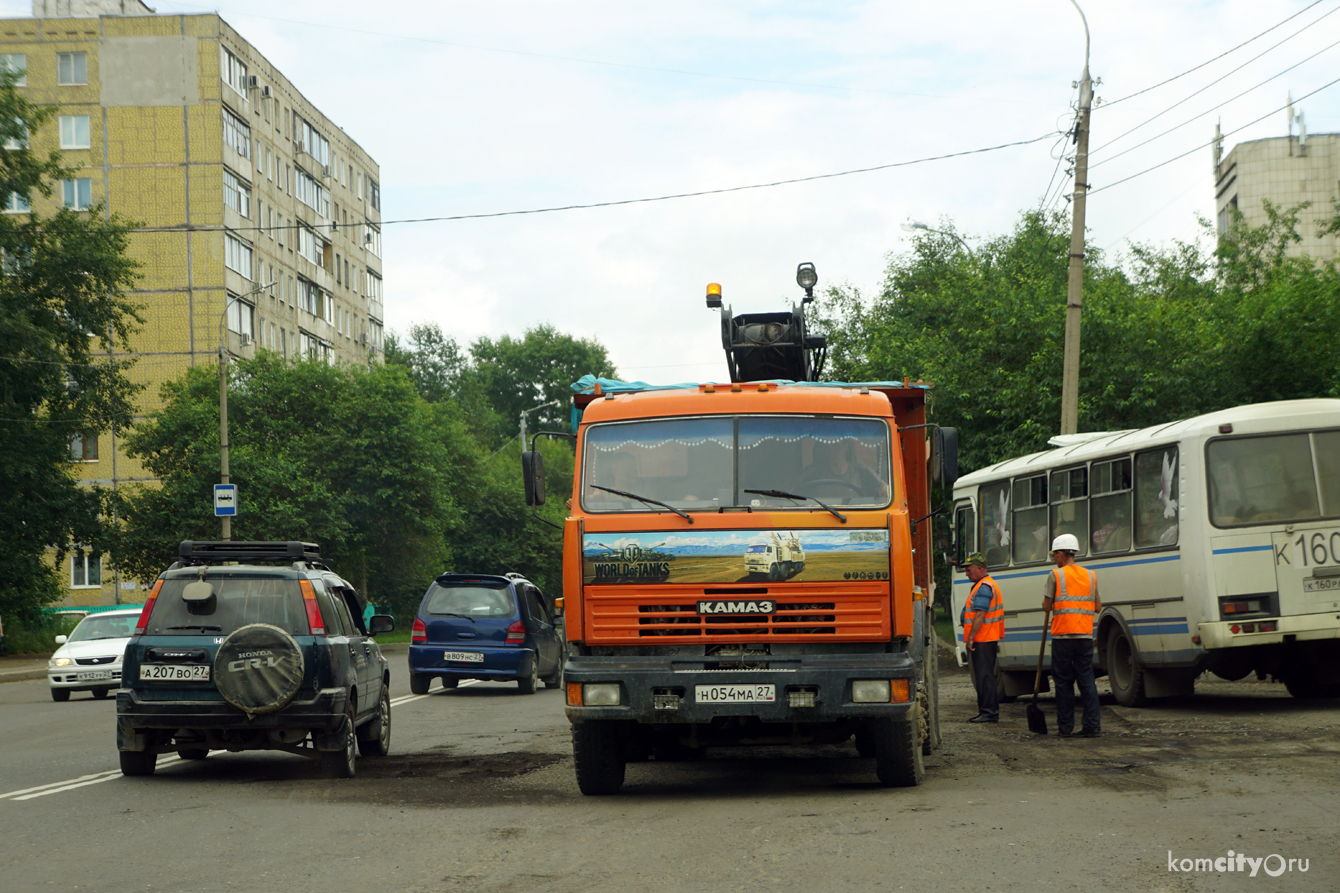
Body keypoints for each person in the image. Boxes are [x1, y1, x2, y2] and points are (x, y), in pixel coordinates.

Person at [1042, 533, 1102, 738]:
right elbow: (1098, 607)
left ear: (1060, 554)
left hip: (1063, 638)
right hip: (1085, 636)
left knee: (1063, 682)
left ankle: (1065, 728)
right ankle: (1092, 726)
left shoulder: (1055, 575)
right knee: (1087, 681)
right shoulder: (1091, 576)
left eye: (1054, 555)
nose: (1054, 559)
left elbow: (1046, 606)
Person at [961, 553, 1004, 723]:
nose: (966, 573)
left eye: (969, 570)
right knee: (985, 676)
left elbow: (980, 614)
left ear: (979, 569)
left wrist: (971, 638)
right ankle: (987, 711)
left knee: (984, 676)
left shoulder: (984, 587)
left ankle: (988, 713)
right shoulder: (984, 585)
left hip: (983, 638)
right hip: (987, 637)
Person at [801, 439, 886, 500]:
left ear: (846, 447)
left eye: (835, 446)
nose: (831, 452)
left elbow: (888, 492)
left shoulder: (862, 471)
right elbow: (793, 497)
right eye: (827, 448)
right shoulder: (813, 474)